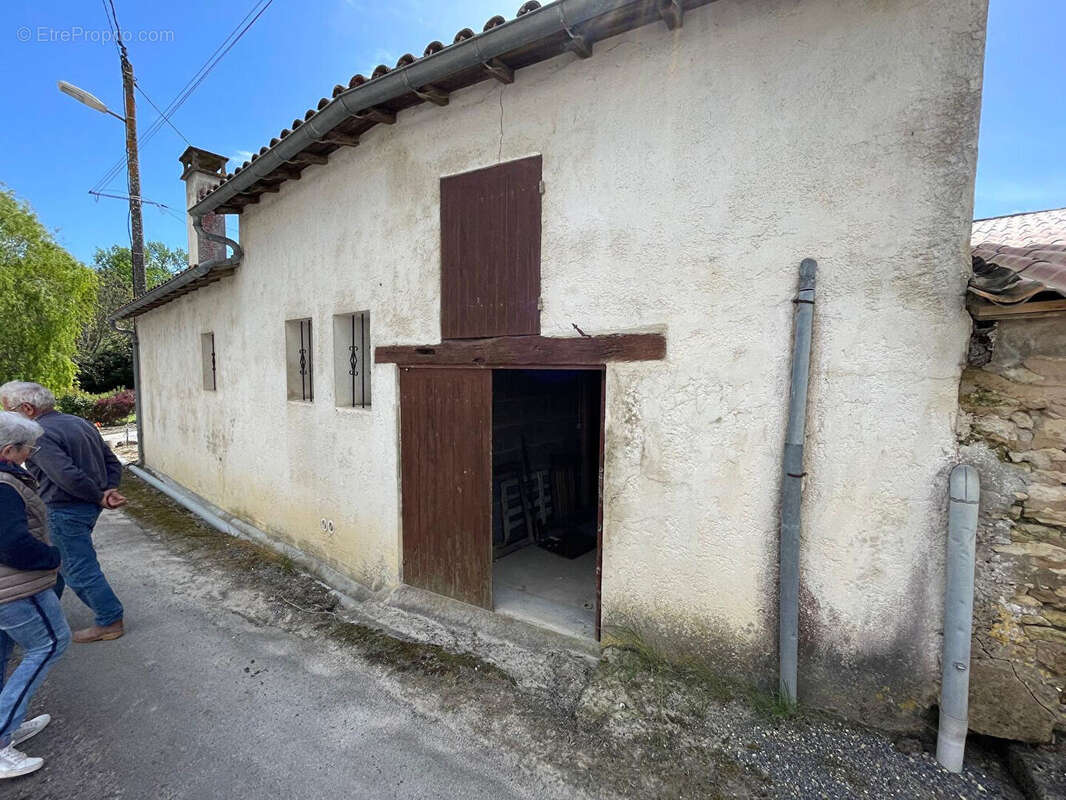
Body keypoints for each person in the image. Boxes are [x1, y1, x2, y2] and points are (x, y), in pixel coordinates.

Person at [0, 382, 126, 643]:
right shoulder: (79, 422)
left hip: (63, 509)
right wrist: (107, 490)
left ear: (27, 408)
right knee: (60, 563)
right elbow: (112, 461)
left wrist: (99, 495)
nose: (8, 417)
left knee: (77, 567)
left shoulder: (39, 435)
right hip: (84, 508)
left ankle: (109, 620)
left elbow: (66, 476)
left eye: (9, 410)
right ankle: (47, 611)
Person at [0, 411, 70, 779]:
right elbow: (11, 543)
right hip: (15, 587)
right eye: (27, 448)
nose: (31, 454)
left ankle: (6, 723)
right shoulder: (4, 484)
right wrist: (52, 558)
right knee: (51, 643)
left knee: (2, 652)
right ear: (9, 449)